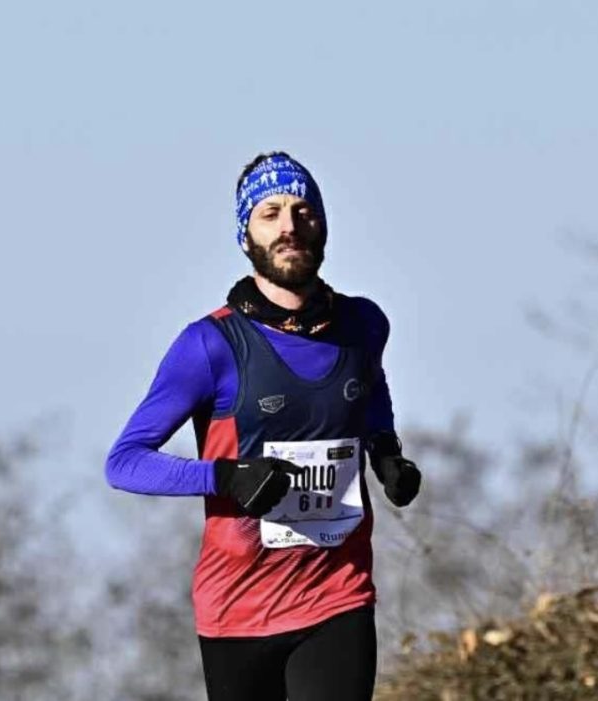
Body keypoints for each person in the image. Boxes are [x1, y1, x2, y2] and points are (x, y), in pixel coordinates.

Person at [105, 152, 421, 701]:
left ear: (323, 226)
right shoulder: (209, 346)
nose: (289, 226)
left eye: (303, 212)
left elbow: (370, 388)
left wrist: (384, 449)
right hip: (238, 609)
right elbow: (125, 462)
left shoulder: (364, 324)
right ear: (246, 235)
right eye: (270, 214)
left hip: (337, 595)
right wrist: (228, 476)